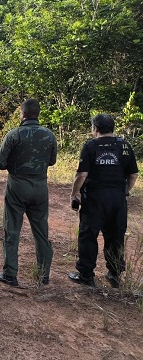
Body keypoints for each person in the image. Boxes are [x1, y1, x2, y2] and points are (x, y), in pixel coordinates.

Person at [68, 114, 139, 288]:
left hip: (94, 198)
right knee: (115, 236)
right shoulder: (125, 146)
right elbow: (133, 174)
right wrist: (125, 192)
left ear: (95, 128)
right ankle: (114, 274)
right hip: (117, 199)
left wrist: (74, 193)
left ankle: (86, 275)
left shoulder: (90, 146)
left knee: (88, 235)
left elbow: (82, 174)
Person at [0, 99, 57, 286]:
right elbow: (52, 161)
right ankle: (43, 275)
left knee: (12, 229)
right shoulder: (49, 135)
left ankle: (10, 274)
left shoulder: (14, 135)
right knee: (41, 231)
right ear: (37, 114)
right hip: (40, 186)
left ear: (22, 114)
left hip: (17, 185)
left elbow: (0, 163)